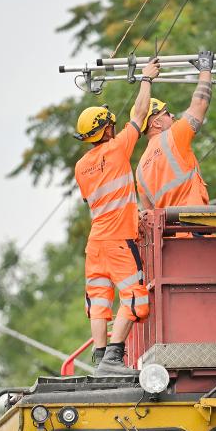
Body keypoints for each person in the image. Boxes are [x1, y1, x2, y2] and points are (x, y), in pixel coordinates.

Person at [73, 58, 161, 377]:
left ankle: (99, 360)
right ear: (108, 128)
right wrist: (146, 79)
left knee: (99, 300)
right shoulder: (118, 148)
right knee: (136, 297)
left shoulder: (81, 167)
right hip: (119, 241)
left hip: (94, 245)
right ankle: (113, 358)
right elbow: (139, 113)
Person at [133, 50, 215, 210]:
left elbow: (150, 215)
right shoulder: (173, 137)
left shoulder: (140, 170)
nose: (172, 116)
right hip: (194, 227)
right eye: (167, 113)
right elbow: (200, 103)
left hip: (172, 234)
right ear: (156, 123)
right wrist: (205, 70)